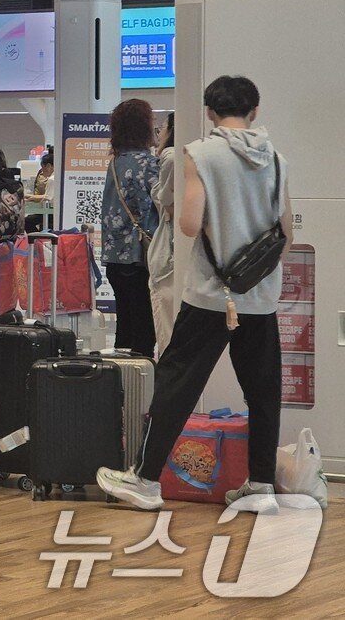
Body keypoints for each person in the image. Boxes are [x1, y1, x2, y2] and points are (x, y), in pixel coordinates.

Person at [99, 76, 291, 514]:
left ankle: (146, 480)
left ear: (208, 113)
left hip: (210, 292)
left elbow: (188, 223)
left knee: (177, 382)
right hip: (260, 292)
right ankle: (260, 485)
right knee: (263, 390)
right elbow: (287, 230)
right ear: (254, 112)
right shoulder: (277, 160)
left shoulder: (199, 154)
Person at [100, 99, 160, 357]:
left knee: (125, 324)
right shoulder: (149, 164)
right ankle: (142, 383)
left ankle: (122, 380)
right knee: (145, 328)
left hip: (115, 257)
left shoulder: (115, 163)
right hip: (141, 256)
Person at [147, 113, 176, 356]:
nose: (159, 133)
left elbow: (166, 201)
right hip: (178, 258)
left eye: (162, 128)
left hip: (168, 259)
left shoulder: (170, 157)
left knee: (167, 337)